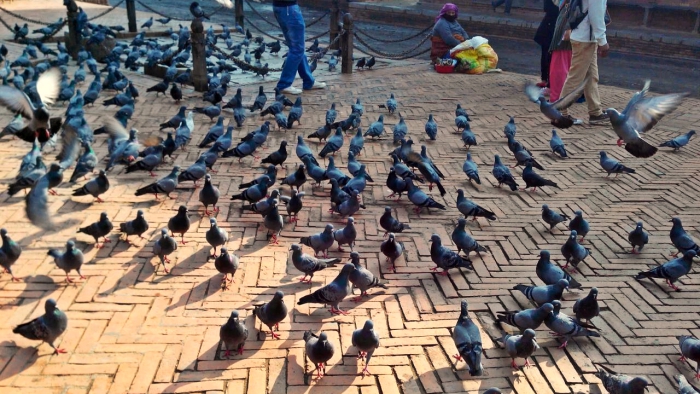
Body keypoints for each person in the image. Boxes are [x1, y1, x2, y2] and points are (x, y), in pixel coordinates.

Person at [558, 0, 610, 125]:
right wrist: (603, 41)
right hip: (585, 40)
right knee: (575, 78)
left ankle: (595, 112)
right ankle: (560, 113)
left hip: (584, 38)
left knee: (591, 77)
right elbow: (596, 16)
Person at [272, 0, 326, 95]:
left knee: (296, 48)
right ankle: (284, 84)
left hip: (280, 7)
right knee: (297, 49)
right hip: (289, 8)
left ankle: (309, 81)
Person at [548, 0, 573, 102]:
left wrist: (568, 27)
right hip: (568, 30)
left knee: (559, 68)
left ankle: (557, 99)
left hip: (565, 31)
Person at [533, 0, 560, 90]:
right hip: (552, 24)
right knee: (548, 53)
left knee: (548, 53)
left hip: (553, 23)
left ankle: (547, 80)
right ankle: (547, 80)